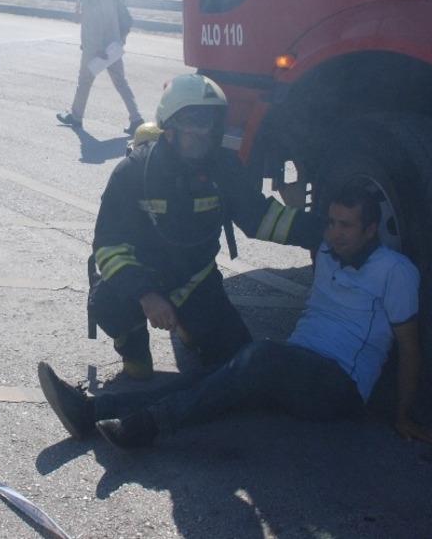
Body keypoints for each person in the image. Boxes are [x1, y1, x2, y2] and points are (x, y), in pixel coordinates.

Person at [38, 180, 432, 450]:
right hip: (295, 369)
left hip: (337, 385)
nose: (335, 233)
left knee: (257, 357)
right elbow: (286, 218)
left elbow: (409, 346)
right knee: (219, 373)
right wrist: (293, 196)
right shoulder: (327, 249)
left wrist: (403, 415)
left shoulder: (395, 272)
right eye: (331, 223)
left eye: (347, 226)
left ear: (371, 230)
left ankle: (148, 426)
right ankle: (92, 409)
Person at [81, 74, 323, 379]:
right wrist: (147, 296)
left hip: (194, 282)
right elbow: (108, 245)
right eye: (193, 121)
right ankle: (133, 346)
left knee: (235, 362)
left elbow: (261, 217)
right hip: (143, 281)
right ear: (169, 128)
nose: (203, 132)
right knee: (108, 305)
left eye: (210, 121)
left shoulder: (225, 168)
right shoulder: (134, 172)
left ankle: (190, 328)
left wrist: (324, 232)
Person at [56, 0, 144, 136]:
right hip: (113, 43)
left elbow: (94, 19)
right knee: (121, 82)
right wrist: (116, 40)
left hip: (97, 46)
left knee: (84, 81)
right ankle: (136, 118)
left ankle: (76, 117)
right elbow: (118, 12)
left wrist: (95, 47)